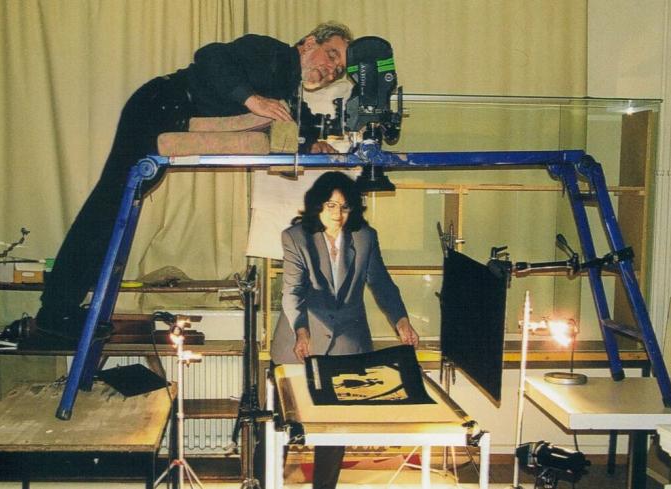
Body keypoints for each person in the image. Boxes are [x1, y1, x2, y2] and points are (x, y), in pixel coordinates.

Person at [29, 22, 353, 340]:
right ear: (310, 42)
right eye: (332, 55)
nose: (331, 70)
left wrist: (312, 141)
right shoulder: (272, 52)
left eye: (338, 70)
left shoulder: (286, 84)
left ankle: (63, 309)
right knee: (107, 207)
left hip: (167, 110)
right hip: (159, 104)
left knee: (113, 211)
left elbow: (295, 116)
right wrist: (251, 99)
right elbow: (210, 56)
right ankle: (55, 311)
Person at [270, 171, 420, 489]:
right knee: (279, 429)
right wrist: (301, 331)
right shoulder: (296, 237)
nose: (337, 214)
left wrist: (401, 320)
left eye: (345, 207)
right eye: (331, 205)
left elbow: (381, 283)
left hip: (347, 345)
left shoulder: (365, 237)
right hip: (300, 340)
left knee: (334, 431)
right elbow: (293, 291)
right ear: (317, 206)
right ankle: (263, 482)